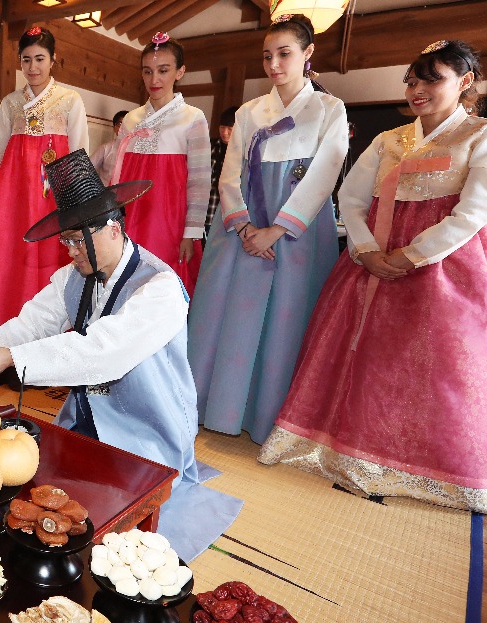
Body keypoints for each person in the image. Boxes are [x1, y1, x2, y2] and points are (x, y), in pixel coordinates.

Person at [260, 41, 487, 513]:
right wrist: (365, 248)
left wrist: (410, 256)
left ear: (465, 83)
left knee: (432, 367)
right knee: (360, 359)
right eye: (412, 80)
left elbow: (472, 214)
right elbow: (352, 198)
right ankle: (340, 450)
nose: (417, 90)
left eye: (432, 79)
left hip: (442, 269)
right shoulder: (390, 139)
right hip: (370, 264)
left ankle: (425, 468)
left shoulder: (479, 136)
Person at [0, 148, 197, 480]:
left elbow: (104, 352)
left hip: (146, 429)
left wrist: (12, 358)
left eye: (77, 241)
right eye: (66, 243)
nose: (71, 253)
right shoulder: (73, 277)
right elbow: (35, 322)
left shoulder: (160, 288)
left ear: (114, 229)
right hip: (87, 416)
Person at [187, 14, 349, 443]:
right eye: (267, 56)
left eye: (285, 54)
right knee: (226, 317)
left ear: (308, 54)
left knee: (285, 319)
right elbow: (229, 174)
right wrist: (244, 229)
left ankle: (269, 419)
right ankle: (213, 407)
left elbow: (324, 176)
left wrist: (276, 230)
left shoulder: (329, 110)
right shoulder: (249, 111)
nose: (274, 64)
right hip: (243, 227)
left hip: (297, 227)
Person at [0, 26, 89, 340]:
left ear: (53, 60)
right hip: (14, 194)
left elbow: (78, 152)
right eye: (27, 59)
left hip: (53, 196)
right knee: (9, 259)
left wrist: (78, 202)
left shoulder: (70, 100)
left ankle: (47, 338)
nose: (33, 67)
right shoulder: (10, 103)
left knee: (50, 259)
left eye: (40, 59)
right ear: (19, 61)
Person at [109, 33, 210, 294]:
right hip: (129, 217)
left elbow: (200, 181)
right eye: (148, 71)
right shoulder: (131, 119)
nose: (155, 80)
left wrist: (191, 232)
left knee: (161, 288)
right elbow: (117, 174)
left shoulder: (192, 117)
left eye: (163, 70)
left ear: (180, 72)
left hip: (168, 221)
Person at [205, 106, 238, 238]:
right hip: (205, 212)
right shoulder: (210, 147)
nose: (225, 132)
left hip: (227, 218)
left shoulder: (243, 153)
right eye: (222, 127)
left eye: (230, 129)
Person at [90, 110, 128, 185]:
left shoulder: (136, 150)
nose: (122, 127)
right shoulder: (105, 148)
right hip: (106, 192)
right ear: (114, 127)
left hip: (127, 193)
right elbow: (88, 168)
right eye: (119, 124)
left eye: (126, 124)